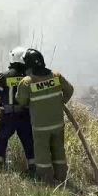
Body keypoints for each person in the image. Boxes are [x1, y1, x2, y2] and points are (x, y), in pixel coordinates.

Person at [14, 48, 75, 185]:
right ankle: (61, 178)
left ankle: (46, 181)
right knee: (59, 150)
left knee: (42, 154)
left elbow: (22, 101)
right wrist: (60, 102)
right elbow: (70, 90)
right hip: (58, 124)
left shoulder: (27, 82)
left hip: (40, 127)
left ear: (29, 65)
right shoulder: (56, 76)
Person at [0, 47, 36, 176]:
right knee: (29, 141)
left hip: (7, 116)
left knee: (1, 139)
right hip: (25, 115)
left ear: (13, 58)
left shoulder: (5, 75)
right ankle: (34, 168)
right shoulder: (29, 77)